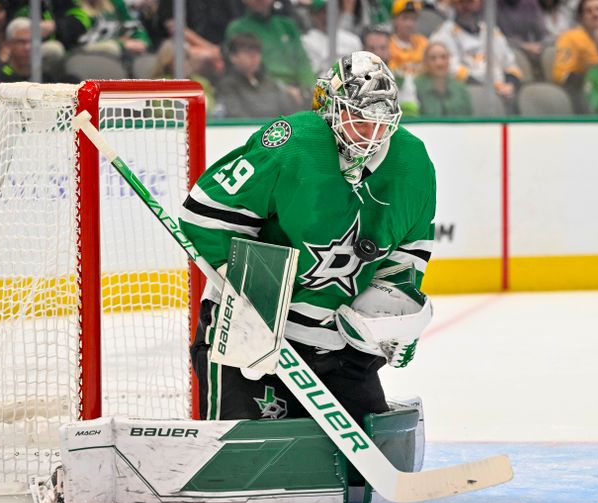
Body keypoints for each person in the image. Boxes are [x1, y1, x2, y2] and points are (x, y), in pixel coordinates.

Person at [178, 51, 435, 425]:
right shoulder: (292, 143)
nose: (373, 133)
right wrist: (257, 300)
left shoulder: (413, 162)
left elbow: (410, 252)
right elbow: (205, 214)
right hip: (251, 337)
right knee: (246, 458)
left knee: (364, 460)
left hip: (339, 345)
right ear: (329, 108)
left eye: (383, 121)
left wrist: (391, 321)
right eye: (359, 118)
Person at [429, 0, 523, 106]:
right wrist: (489, 87)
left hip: (505, 93)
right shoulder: (443, 35)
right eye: (461, 2)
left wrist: (510, 84)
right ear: (454, 4)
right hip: (470, 95)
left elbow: (510, 64)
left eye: (470, 2)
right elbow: (451, 70)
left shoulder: (492, 31)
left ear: (480, 3)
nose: (466, 7)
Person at [225, 0, 316, 97]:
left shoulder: (287, 25)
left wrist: (308, 88)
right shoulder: (238, 28)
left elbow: (303, 61)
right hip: (264, 92)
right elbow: (249, 68)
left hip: (299, 91)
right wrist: (283, 89)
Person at [216, 32, 303, 118]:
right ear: (233, 57)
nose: (253, 57)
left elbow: (289, 113)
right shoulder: (227, 86)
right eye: (247, 52)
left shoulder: (270, 83)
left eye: (257, 52)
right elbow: (237, 117)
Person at [362, 23, 420, 114]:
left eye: (383, 48)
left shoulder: (402, 79)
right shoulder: (353, 78)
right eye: (372, 48)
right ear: (363, 49)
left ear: (390, 50)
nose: (377, 53)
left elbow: (411, 113)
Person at [301, 0, 362, 75]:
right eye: (323, 12)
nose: (327, 16)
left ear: (341, 12)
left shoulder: (353, 41)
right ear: (313, 14)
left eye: (333, 11)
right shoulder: (305, 41)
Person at [415, 40, 473, 116]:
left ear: (449, 60)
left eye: (443, 57)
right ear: (426, 62)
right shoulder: (415, 87)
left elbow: (470, 119)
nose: (439, 63)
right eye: (433, 58)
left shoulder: (461, 89)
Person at [388, 0, 428, 76]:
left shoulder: (424, 42)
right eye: (405, 18)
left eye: (413, 19)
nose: (409, 24)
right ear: (395, 20)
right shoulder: (387, 45)